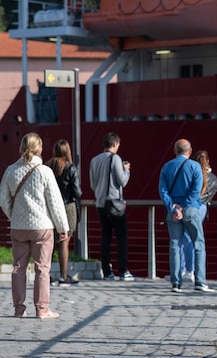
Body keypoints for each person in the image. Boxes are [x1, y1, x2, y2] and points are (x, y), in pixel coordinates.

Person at [0, 132, 69, 319]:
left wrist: (14, 216)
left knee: (18, 268)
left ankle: (19, 309)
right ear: (40, 149)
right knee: (42, 269)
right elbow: (55, 202)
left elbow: (3, 200)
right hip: (42, 227)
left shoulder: (10, 171)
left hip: (19, 227)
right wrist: (63, 227)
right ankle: (42, 309)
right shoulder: (45, 171)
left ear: (20, 148)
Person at [159, 138, 213, 293]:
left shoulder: (167, 167)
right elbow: (196, 190)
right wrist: (184, 206)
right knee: (199, 244)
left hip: (173, 211)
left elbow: (163, 191)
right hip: (191, 210)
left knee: (175, 245)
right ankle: (200, 281)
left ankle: (176, 283)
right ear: (190, 151)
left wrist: (173, 207)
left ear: (175, 151)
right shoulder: (195, 166)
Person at [89, 132, 135, 281]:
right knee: (121, 237)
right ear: (115, 144)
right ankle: (123, 270)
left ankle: (107, 272)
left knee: (106, 238)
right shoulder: (115, 158)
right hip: (114, 203)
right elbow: (122, 181)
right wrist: (126, 169)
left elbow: (92, 184)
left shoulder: (94, 160)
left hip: (100, 203)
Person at [45, 139, 82, 286]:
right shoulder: (70, 168)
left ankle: (45, 275)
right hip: (67, 207)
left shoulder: (48, 166)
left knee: (50, 242)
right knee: (64, 241)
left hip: (50, 206)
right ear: (67, 151)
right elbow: (77, 191)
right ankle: (63, 275)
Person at [179, 150, 217, 281]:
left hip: (190, 205)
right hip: (202, 206)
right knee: (194, 236)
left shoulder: (192, 174)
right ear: (207, 161)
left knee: (185, 237)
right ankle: (191, 270)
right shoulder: (212, 177)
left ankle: (186, 269)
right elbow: (212, 191)